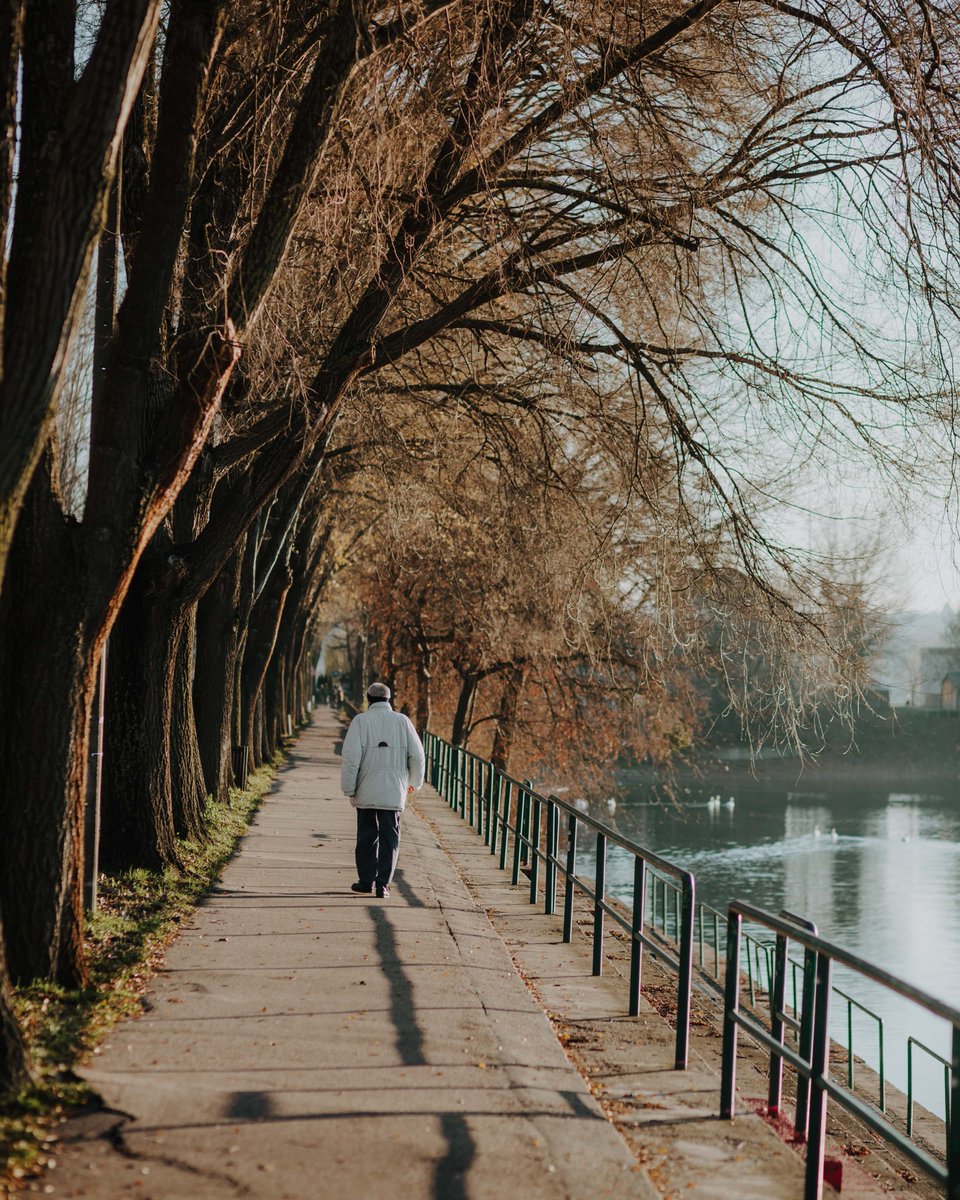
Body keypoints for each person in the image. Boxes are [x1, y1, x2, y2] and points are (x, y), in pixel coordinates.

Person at [340, 681, 425, 899]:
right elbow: (417, 755)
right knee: (390, 838)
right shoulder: (402, 722)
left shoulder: (360, 721)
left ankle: (366, 881)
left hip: (366, 789)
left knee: (366, 836)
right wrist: (414, 783)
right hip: (393, 791)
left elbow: (351, 758)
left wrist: (349, 787)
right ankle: (383, 885)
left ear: (369, 699)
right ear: (389, 699)